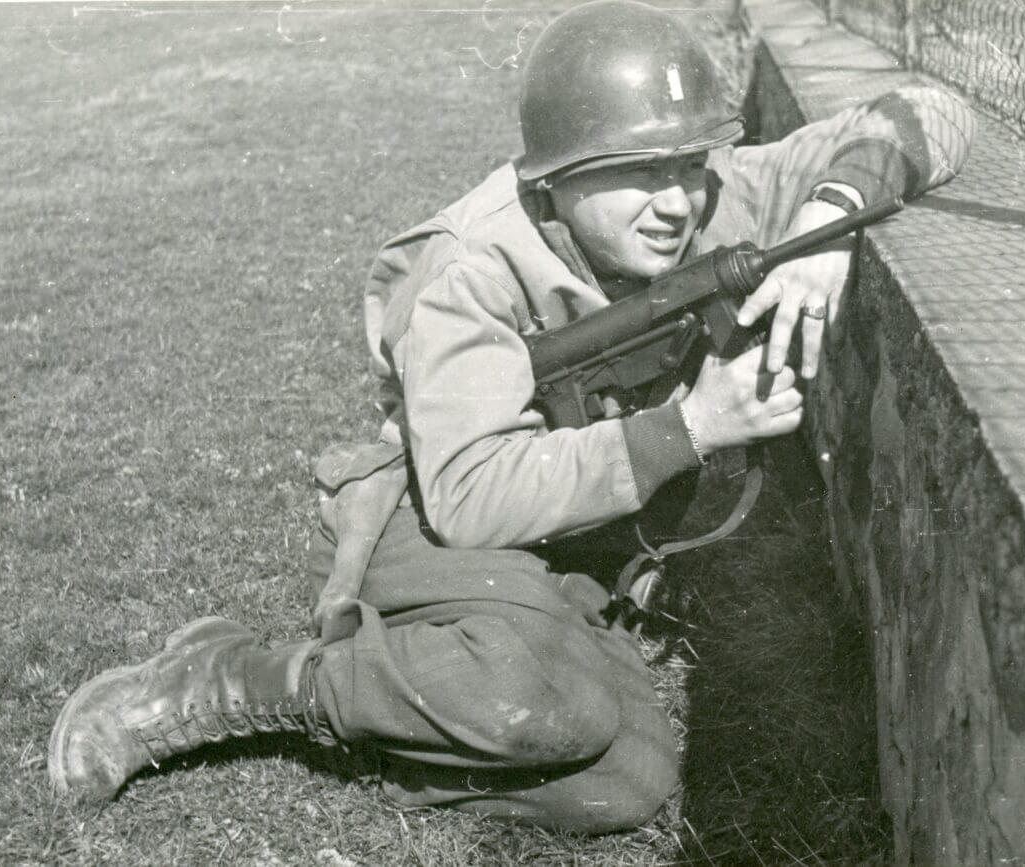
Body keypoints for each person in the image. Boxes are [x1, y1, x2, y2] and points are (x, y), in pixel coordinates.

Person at [48, 0, 975, 833]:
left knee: (627, 780)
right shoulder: (468, 267)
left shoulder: (712, 195)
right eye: (637, 171)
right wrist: (688, 428)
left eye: (691, 164)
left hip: (576, 534)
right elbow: (468, 494)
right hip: (440, 503)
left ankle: (420, 713)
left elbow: (932, 111)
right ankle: (233, 678)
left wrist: (832, 217)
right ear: (555, 179)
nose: (678, 201)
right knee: (533, 699)